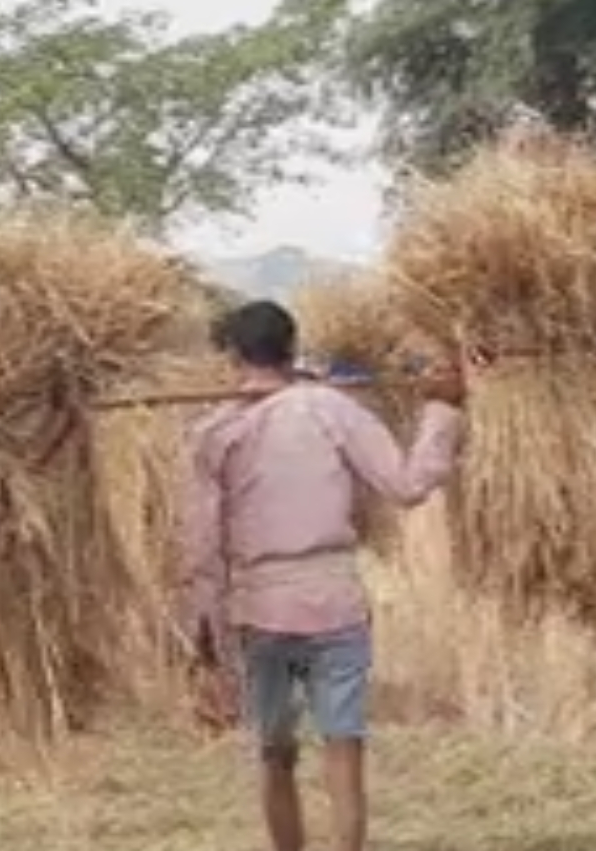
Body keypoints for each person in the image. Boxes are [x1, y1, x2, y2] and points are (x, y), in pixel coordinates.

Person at [178, 300, 467, 851]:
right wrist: (441, 414)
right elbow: (406, 486)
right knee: (344, 744)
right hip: (334, 602)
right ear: (290, 347)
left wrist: (206, 641)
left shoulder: (215, 431)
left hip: (257, 612)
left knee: (274, 751)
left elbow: (202, 549)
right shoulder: (332, 409)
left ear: (233, 356)